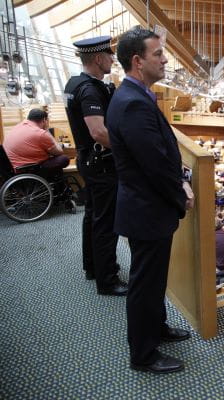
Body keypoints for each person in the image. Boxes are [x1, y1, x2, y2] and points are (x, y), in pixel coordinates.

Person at [107, 26, 194, 374]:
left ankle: (157, 328)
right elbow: (155, 164)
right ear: (137, 61)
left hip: (146, 207)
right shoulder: (131, 104)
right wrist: (180, 193)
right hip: (147, 209)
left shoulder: (138, 95)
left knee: (155, 279)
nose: (165, 59)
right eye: (158, 54)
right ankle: (143, 354)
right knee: (144, 285)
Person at [64, 35, 126, 292]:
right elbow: (98, 132)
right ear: (98, 58)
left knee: (93, 215)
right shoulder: (89, 89)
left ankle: (93, 266)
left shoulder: (74, 83)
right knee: (106, 222)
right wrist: (129, 148)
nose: (113, 59)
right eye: (110, 55)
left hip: (88, 160)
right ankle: (107, 280)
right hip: (101, 163)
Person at [3, 109, 69, 179]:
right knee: (63, 159)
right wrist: (47, 130)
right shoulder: (40, 133)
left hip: (12, 170)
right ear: (44, 120)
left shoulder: (17, 127)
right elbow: (59, 152)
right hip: (27, 170)